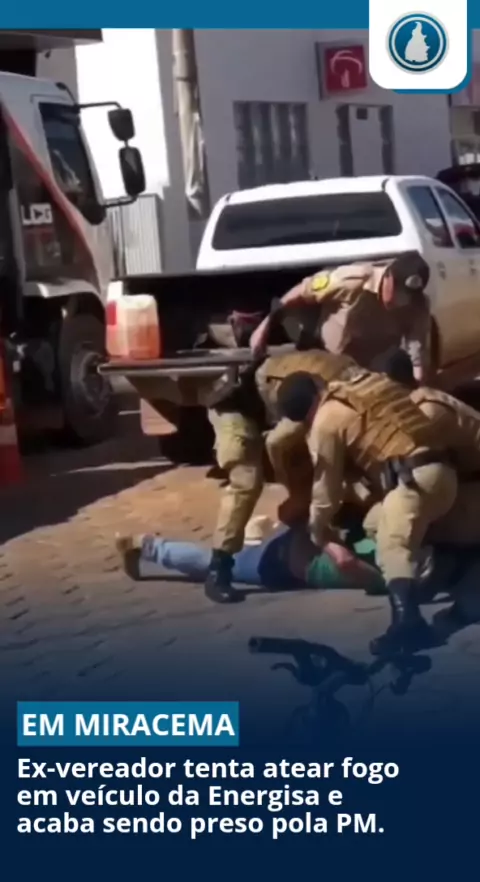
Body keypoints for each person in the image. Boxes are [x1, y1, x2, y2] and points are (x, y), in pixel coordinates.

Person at [273, 365, 458, 654]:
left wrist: (318, 531)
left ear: (302, 416)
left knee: (392, 545)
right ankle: (429, 563)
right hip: (444, 475)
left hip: (415, 479)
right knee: (376, 522)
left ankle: (408, 625)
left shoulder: (325, 422)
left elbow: (326, 492)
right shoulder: (360, 388)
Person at [205, 346, 360, 604]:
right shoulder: (323, 397)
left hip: (276, 403)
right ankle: (218, 568)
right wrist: (293, 491)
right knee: (247, 481)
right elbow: (277, 444)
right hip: (236, 406)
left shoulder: (360, 384)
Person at [249, 252, 432, 382]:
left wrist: (416, 389)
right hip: (327, 354)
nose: (398, 302)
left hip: (371, 371)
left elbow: (417, 357)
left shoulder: (418, 307)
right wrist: (264, 327)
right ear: (388, 276)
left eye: (405, 297)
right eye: (397, 292)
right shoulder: (352, 280)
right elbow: (302, 292)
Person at [379, 348, 480, 546]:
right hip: (469, 476)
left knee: (416, 525)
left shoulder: (424, 413)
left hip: (474, 486)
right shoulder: (426, 397)